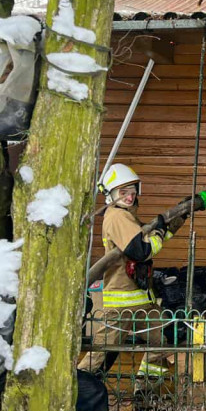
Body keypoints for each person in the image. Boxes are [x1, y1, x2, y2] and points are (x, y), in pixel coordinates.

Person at [79, 163, 186, 391]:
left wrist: (179, 216)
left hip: (140, 300)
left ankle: (145, 390)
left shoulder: (127, 216)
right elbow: (141, 250)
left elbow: (152, 239)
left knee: (161, 342)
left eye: (133, 191)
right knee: (101, 355)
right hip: (120, 304)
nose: (129, 197)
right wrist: (159, 231)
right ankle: (79, 392)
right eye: (123, 192)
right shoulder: (117, 217)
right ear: (111, 194)